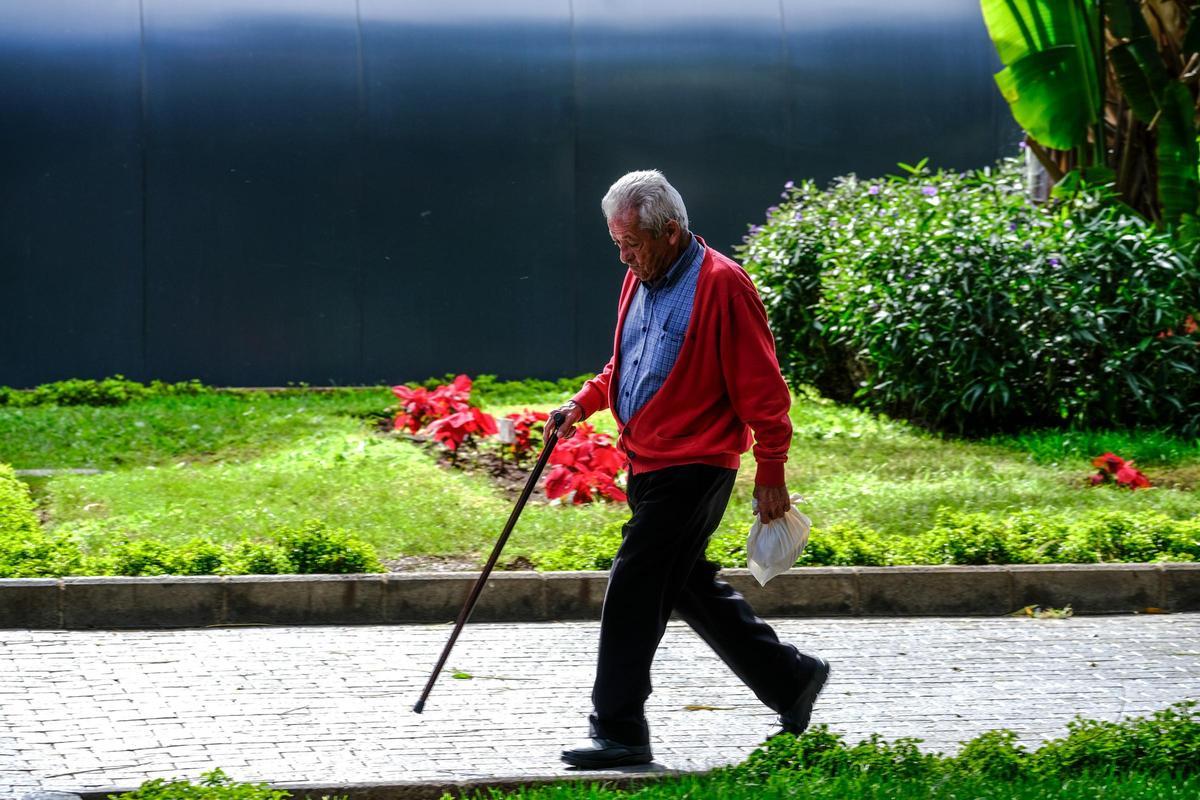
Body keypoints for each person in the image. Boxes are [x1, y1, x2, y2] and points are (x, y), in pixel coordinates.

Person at [551, 170, 829, 769]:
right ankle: (790, 679)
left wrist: (771, 469)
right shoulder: (639, 278)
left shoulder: (723, 285)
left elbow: (764, 389)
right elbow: (627, 361)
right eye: (617, 244)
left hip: (697, 465)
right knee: (687, 586)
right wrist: (582, 403)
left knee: (633, 587)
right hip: (649, 463)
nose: (623, 256)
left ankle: (619, 729)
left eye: (632, 244)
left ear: (670, 231)